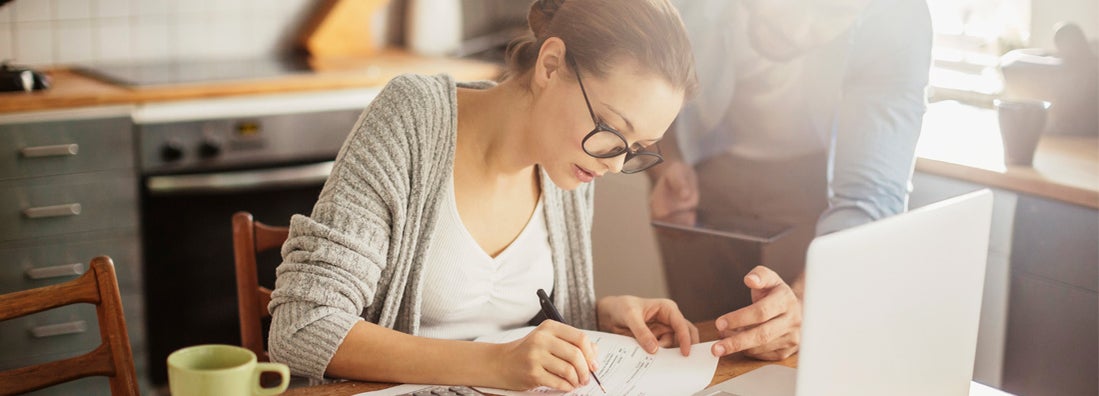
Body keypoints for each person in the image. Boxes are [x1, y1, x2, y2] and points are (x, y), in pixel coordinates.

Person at [268, 0, 699, 391]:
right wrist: (492, 364)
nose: (616, 164)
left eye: (638, 148)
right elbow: (302, 325)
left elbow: (518, 321)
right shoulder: (413, 119)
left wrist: (599, 313)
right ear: (550, 65)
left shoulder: (570, 165)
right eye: (610, 129)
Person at [650, 0, 932, 361]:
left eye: (834, 13)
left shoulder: (897, 17)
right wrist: (666, 161)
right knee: (698, 347)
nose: (797, 32)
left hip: (815, 190)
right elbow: (638, 66)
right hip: (700, 166)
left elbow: (870, 194)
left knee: (790, 346)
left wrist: (803, 302)